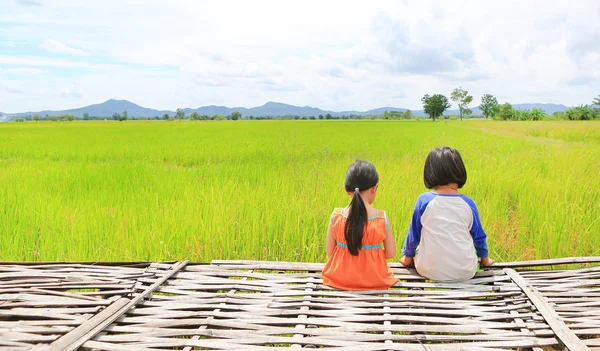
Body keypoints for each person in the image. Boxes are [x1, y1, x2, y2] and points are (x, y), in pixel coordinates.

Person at [399, 146, 494, 281]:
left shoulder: (424, 201)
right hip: (465, 271)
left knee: (421, 249)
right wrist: (485, 260)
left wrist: (407, 259)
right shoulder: (468, 204)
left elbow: (413, 236)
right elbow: (479, 237)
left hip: (428, 270)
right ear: (459, 171)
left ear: (430, 173)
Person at [322, 160, 398, 290]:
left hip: (339, 280)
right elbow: (390, 253)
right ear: (374, 188)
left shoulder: (337, 215)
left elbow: (330, 251)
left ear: (347, 190)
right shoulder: (381, 218)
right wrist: (372, 253)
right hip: (375, 281)